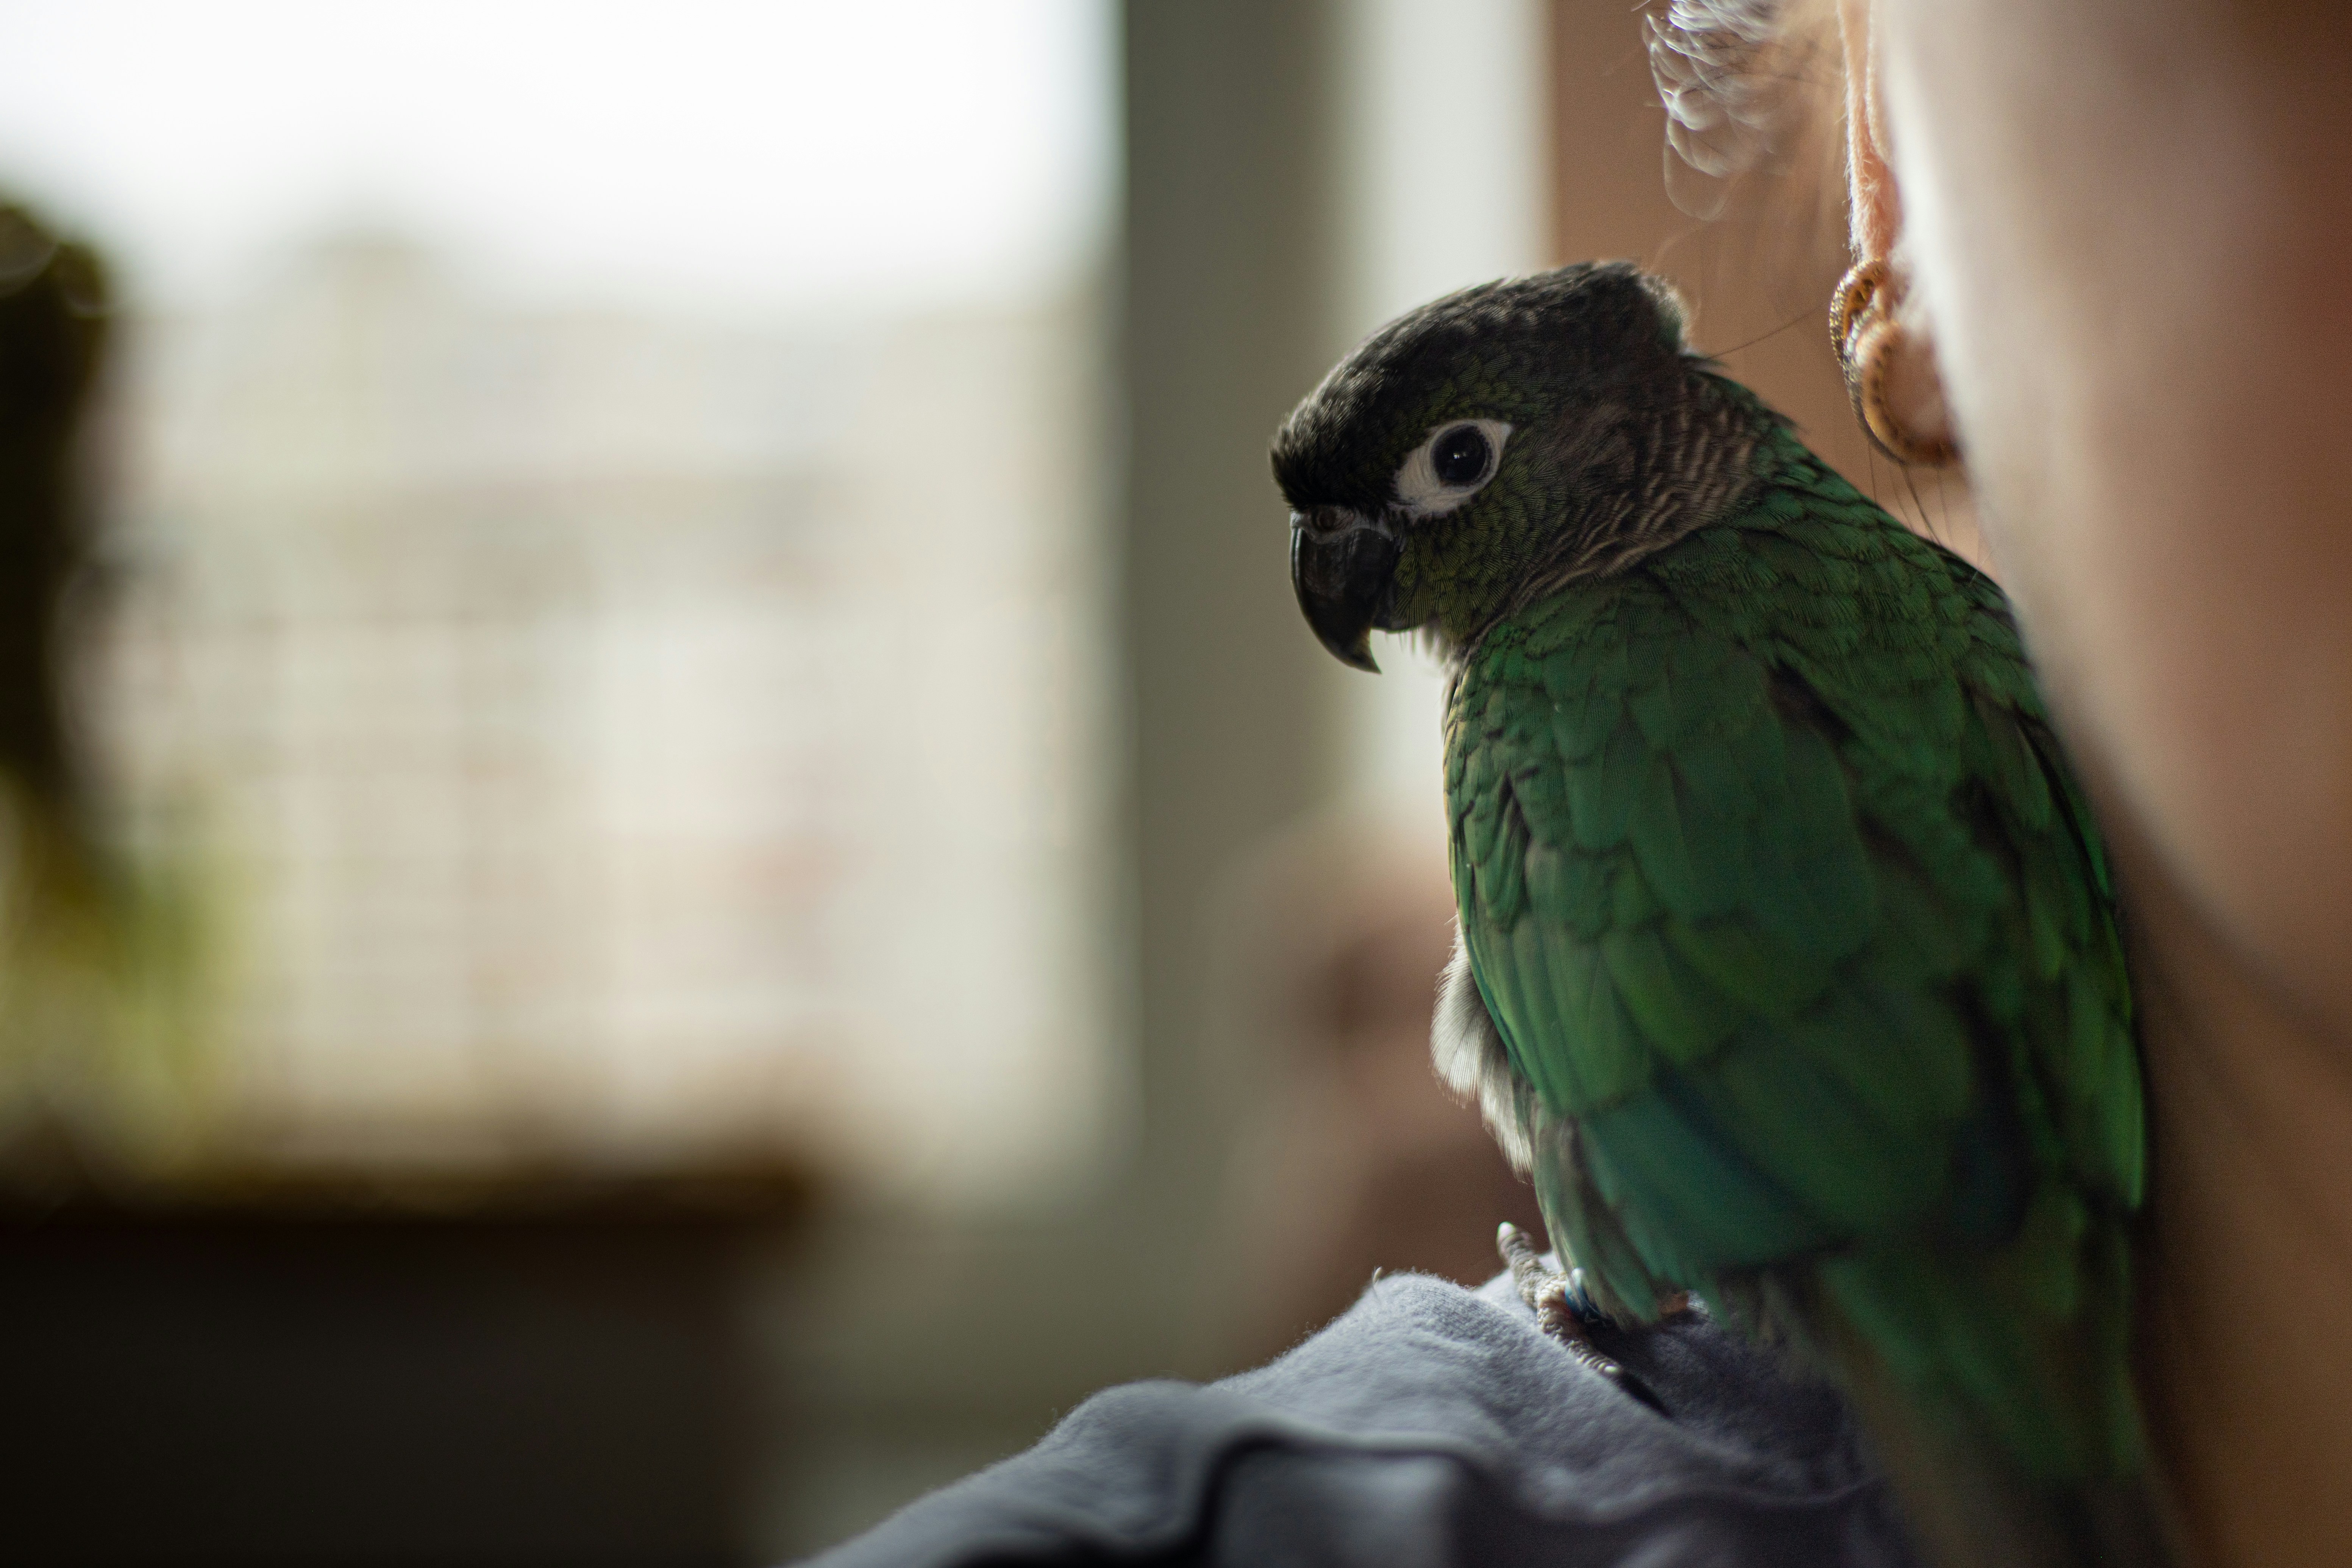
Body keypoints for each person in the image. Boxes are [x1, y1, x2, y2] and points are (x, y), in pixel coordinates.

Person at [812, 4, 2352, 1562]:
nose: (1365, 558)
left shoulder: (1556, 705)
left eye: (1455, 468)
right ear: (1892, 191)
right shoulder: (1911, 625)